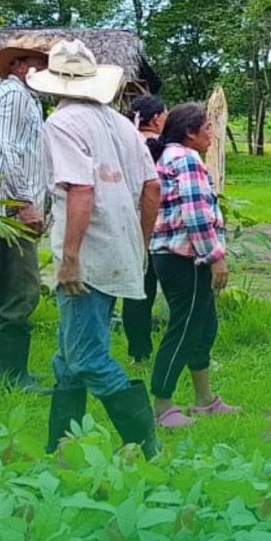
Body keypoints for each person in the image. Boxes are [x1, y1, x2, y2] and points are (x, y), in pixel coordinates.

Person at [27, 40, 162, 458]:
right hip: (118, 247)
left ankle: (146, 446)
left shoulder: (63, 123)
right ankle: (61, 447)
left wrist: (69, 259)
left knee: (85, 356)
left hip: (87, 252)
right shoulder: (122, 124)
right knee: (69, 355)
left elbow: (80, 191)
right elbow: (152, 188)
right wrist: (138, 243)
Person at [149, 104, 241, 427]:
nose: (212, 135)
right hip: (184, 258)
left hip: (177, 255)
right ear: (190, 132)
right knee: (185, 329)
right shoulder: (186, 159)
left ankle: (204, 400)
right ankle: (161, 405)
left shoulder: (170, 156)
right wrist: (215, 258)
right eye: (208, 128)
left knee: (205, 328)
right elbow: (196, 214)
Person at [0, 34, 51, 392]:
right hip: (8, 211)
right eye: (36, 62)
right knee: (21, 292)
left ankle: (5, 374)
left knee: (9, 292)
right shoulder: (14, 96)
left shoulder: (20, 98)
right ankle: (13, 377)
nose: (42, 69)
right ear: (18, 64)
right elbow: (7, 150)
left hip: (1, 208)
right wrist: (24, 202)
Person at [121, 95, 168, 363]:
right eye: (164, 114)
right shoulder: (158, 147)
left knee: (136, 292)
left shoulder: (123, 142)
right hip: (156, 226)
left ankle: (138, 351)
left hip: (127, 223)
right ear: (154, 119)